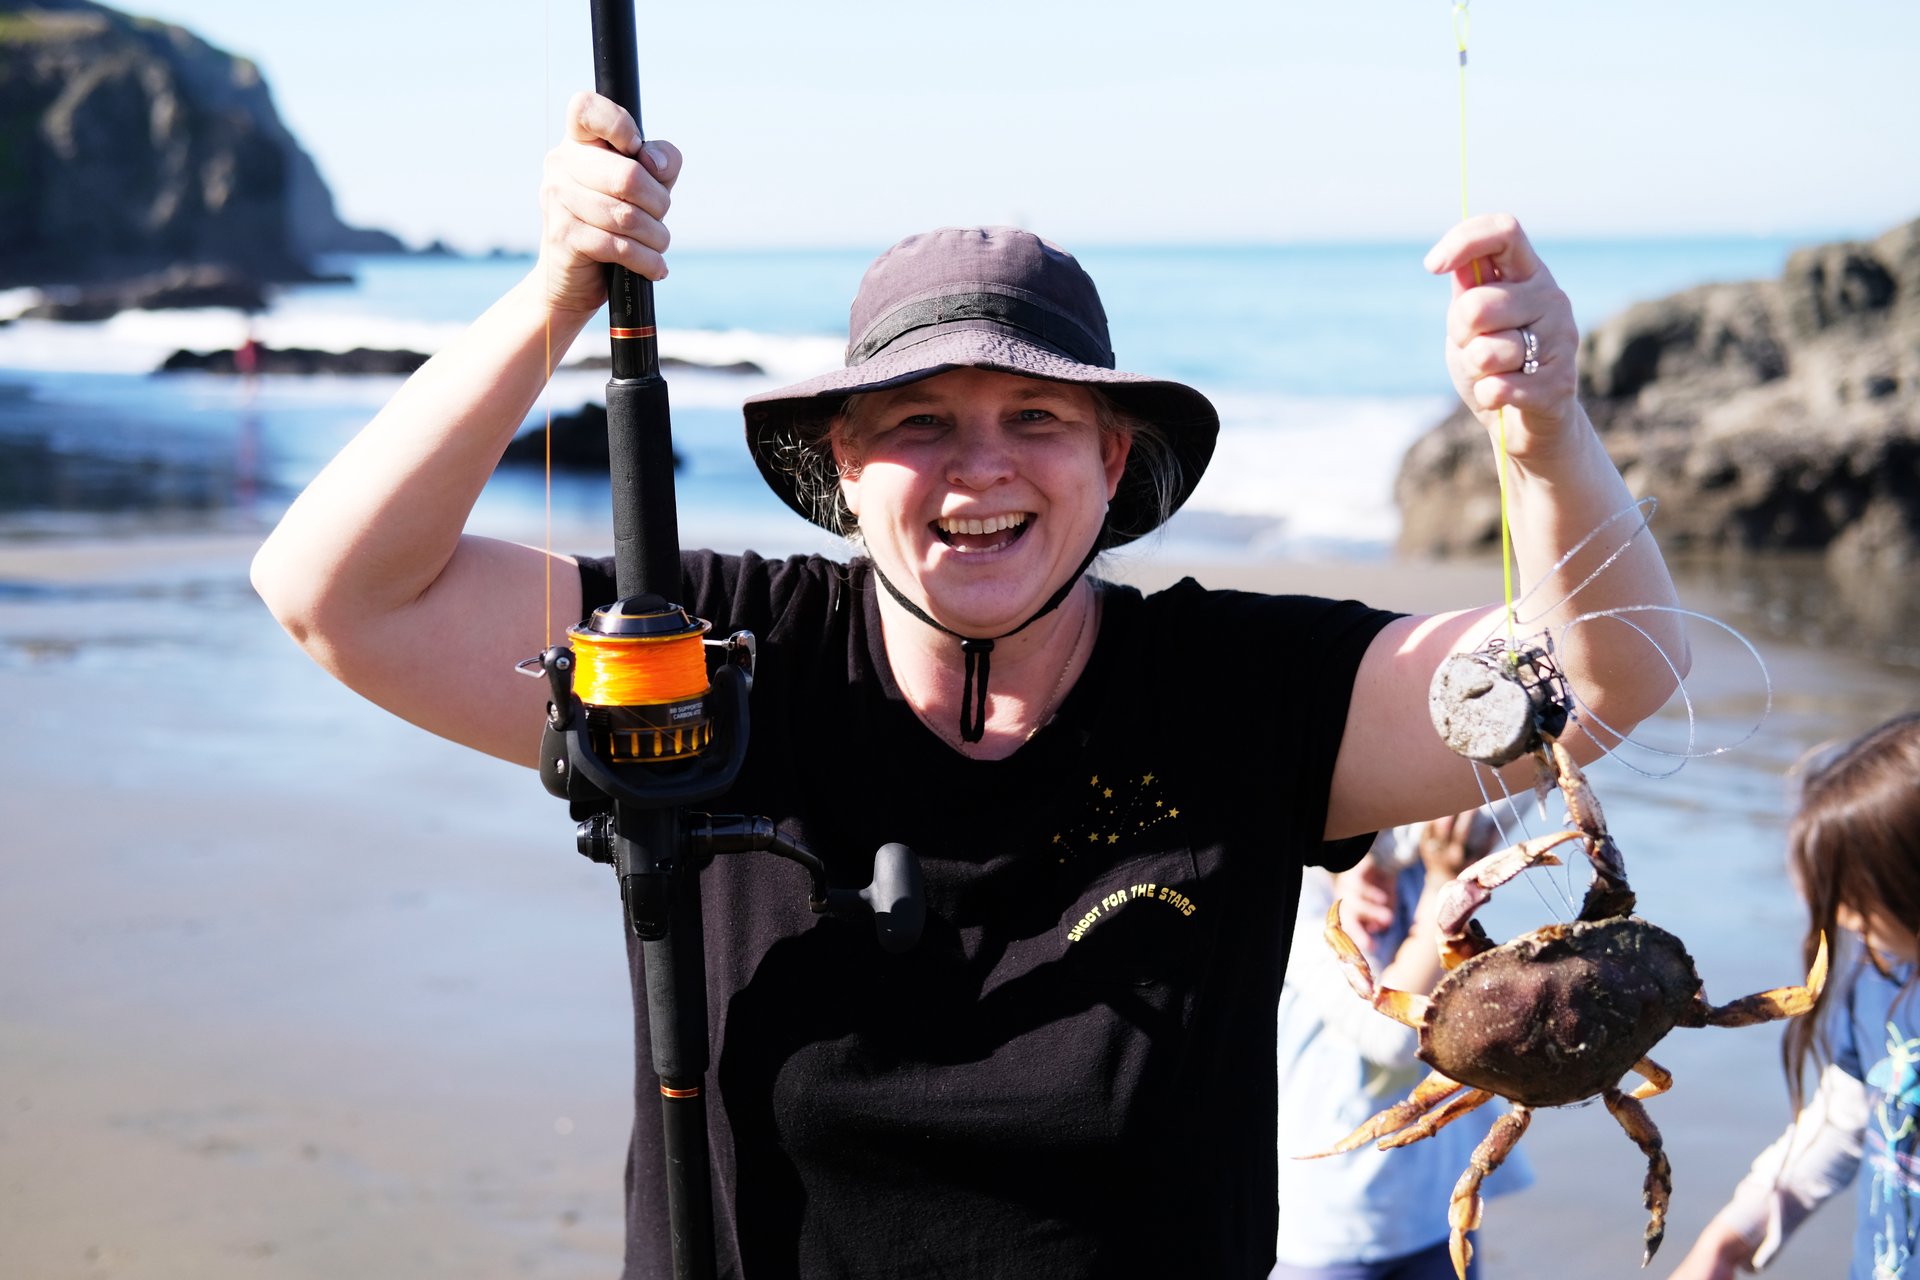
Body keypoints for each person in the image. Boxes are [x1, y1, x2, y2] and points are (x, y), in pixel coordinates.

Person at [249, 91, 1689, 1278]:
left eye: (1037, 415)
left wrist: (1546, 432)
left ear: (1113, 460)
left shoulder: (1240, 689)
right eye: (920, 419)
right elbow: (337, 593)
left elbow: (1605, 678)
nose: (980, 465)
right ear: (843, 464)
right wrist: (559, 290)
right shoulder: (714, 650)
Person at [1666, 713, 1920, 1280]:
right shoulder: (1880, 978)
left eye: (1854, 895)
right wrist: (1729, 1238)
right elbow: (1843, 1121)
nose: (1842, 918)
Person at [1273, 810, 1533, 1280]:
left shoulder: (1423, 857)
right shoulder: (1287, 894)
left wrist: (1377, 858)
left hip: (1439, 1206)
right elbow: (1392, 1036)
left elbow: (1506, 789)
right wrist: (1442, 890)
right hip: (1328, 1226)